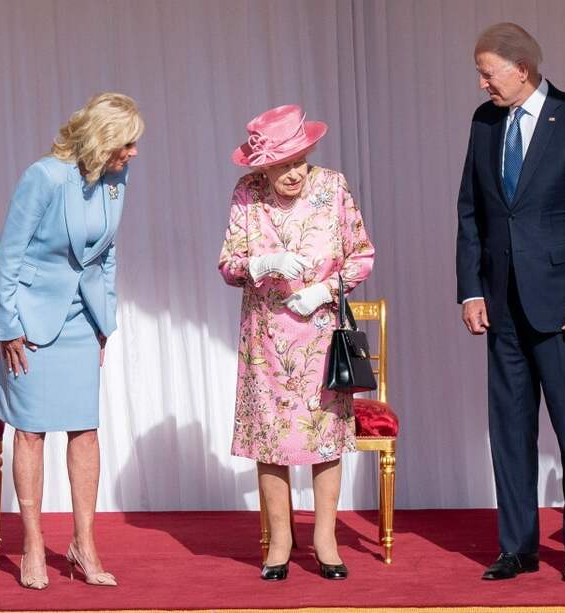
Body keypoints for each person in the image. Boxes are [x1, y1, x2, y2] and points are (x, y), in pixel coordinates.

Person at [455, 23, 565, 582]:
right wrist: (471, 289)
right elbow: (471, 211)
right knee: (509, 430)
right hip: (501, 306)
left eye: (488, 72)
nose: (481, 84)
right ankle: (517, 547)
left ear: (520, 68)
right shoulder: (484, 123)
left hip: (564, 309)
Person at [0, 92, 144, 589]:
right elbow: (9, 253)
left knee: (85, 430)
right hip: (30, 317)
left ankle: (83, 543)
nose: (134, 153)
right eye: (127, 143)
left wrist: (104, 320)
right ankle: (33, 544)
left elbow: (108, 255)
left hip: (81, 320)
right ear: (102, 139)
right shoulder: (44, 176)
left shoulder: (117, 180)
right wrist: (7, 324)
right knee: (30, 432)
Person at [219, 104, 375, 581]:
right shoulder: (247, 193)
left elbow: (361, 256)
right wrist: (260, 266)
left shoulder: (333, 186)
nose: (294, 172)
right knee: (271, 438)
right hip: (266, 337)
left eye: (300, 160)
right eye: (283, 164)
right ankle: (280, 540)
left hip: (322, 334)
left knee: (325, 437)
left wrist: (324, 290)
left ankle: (325, 537)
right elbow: (229, 263)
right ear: (262, 166)